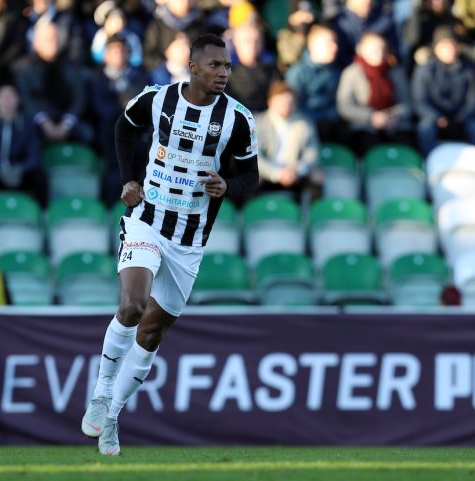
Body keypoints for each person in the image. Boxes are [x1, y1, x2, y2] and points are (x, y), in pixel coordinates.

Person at [81, 33, 258, 456]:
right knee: (132, 305)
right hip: (147, 221)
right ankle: (101, 393)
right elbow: (124, 128)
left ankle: (113, 416)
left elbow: (251, 176)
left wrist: (227, 185)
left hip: (189, 239)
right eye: (215, 65)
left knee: (151, 332)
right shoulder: (158, 98)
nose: (223, 73)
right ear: (193, 67)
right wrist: (128, 178)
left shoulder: (238, 119)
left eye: (227, 66)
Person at [88, 34, 148, 206]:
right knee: (114, 176)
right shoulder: (96, 77)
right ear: (105, 54)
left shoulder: (139, 75)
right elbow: (100, 108)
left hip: (137, 136)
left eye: (123, 50)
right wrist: (124, 107)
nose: (119, 55)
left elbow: (145, 104)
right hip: (109, 136)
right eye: (114, 51)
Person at [412, 25, 475, 155]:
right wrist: (437, 118)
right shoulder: (424, 70)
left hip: (463, 118)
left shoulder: (469, 68)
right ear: (436, 48)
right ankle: (429, 161)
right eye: (445, 45)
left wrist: (461, 118)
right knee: (425, 129)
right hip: (434, 118)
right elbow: (420, 101)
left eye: (453, 44)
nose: (450, 49)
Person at [14, 20, 91, 144]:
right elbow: (26, 99)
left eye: (55, 37)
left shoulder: (72, 66)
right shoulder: (23, 68)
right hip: (36, 122)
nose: (52, 41)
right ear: (36, 43)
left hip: (67, 121)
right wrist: (44, 122)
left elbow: (79, 98)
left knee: (87, 133)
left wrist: (66, 123)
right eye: (47, 38)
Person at [337, 32, 414, 156]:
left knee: (405, 145)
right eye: (374, 49)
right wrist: (371, 117)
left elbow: (407, 103)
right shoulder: (351, 73)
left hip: (394, 124)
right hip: (363, 126)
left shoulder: (395, 71)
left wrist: (392, 116)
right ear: (362, 50)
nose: (380, 53)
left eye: (382, 49)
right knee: (369, 146)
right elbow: (344, 105)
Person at [255, 81, 321, 199]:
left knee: (317, 177)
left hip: (295, 172)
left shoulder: (305, 123)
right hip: (268, 172)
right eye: (281, 102)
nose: (286, 106)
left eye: (290, 102)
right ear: (270, 102)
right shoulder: (257, 123)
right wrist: (276, 173)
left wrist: (298, 170)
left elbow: (312, 154)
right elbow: (254, 156)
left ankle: (313, 211)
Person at [286, 24, 345, 143]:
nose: (335, 47)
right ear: (312, 45)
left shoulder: (336, 71)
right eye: (328, 43)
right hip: (307, 127)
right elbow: (294, 107)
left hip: (333, 124)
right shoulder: (297, 73)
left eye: (335, 42)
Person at [225, 22, 280, 113]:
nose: (253, 46)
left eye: (257, 41)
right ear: (236, 43)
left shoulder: (272, 70)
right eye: (248, 41)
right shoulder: (226, 74)